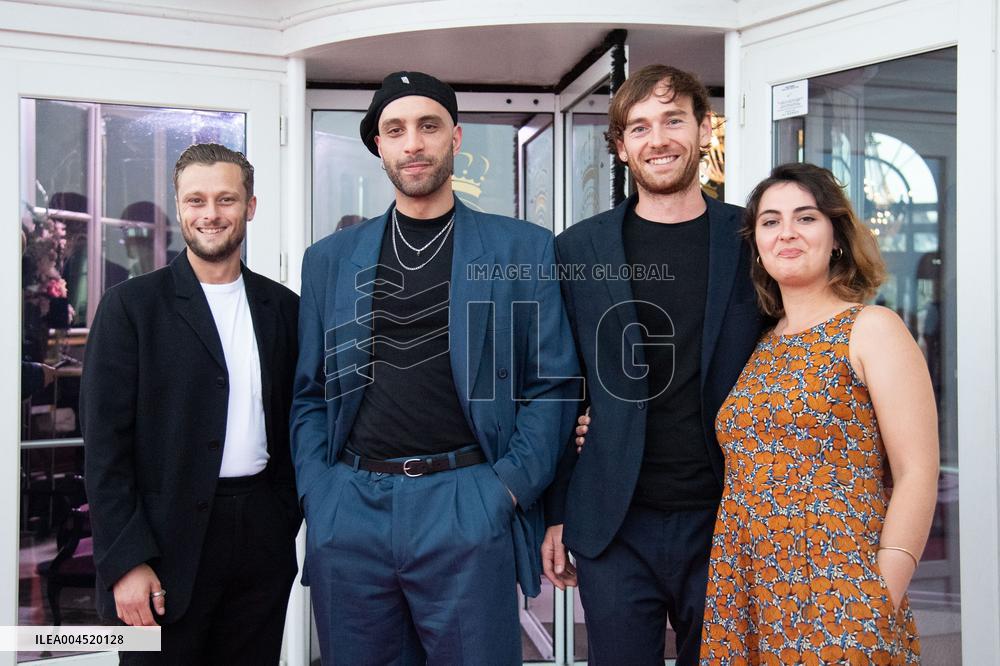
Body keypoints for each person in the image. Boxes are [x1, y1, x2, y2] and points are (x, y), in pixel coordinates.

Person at [291, 71, 579, 665]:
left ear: (456, 136)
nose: (413, 143)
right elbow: (310, 394)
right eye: (395, 130)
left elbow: (551, 385)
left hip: (467, 501)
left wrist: (504, 491)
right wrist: (321, 494)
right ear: (379, 146)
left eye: (428, 126)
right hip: (352, 508)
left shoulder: (521, 249)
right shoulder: (329, 260)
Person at [541, 64, 763, 665]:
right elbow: (560, 385)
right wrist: (556, 512)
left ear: (703, 129)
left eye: (672, 120)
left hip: (730, 517)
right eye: (638, 127)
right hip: (616, 520)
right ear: (620, 146)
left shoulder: (753, 239)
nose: (657, 139)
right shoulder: (577, 248)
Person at [698, 162, 938, 663]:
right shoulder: (762, 345)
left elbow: (917, 472)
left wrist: (879, 598)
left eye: (805, 218)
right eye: (770, 221)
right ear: (757, 246)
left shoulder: (871, 328)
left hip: (839, 589)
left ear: (836, 238)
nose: (786, 232)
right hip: (749, 589)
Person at [82, 143, 301, 664]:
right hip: (161, 544)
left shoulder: (284, 309)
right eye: (196, 200)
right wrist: (126, 561)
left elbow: (299, 422)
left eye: (226, 199)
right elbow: (104, 452)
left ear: (250, 206)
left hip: (259, 539)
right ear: (179, 207)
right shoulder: (131, 308)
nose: (210, 214)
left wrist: (282, 519)